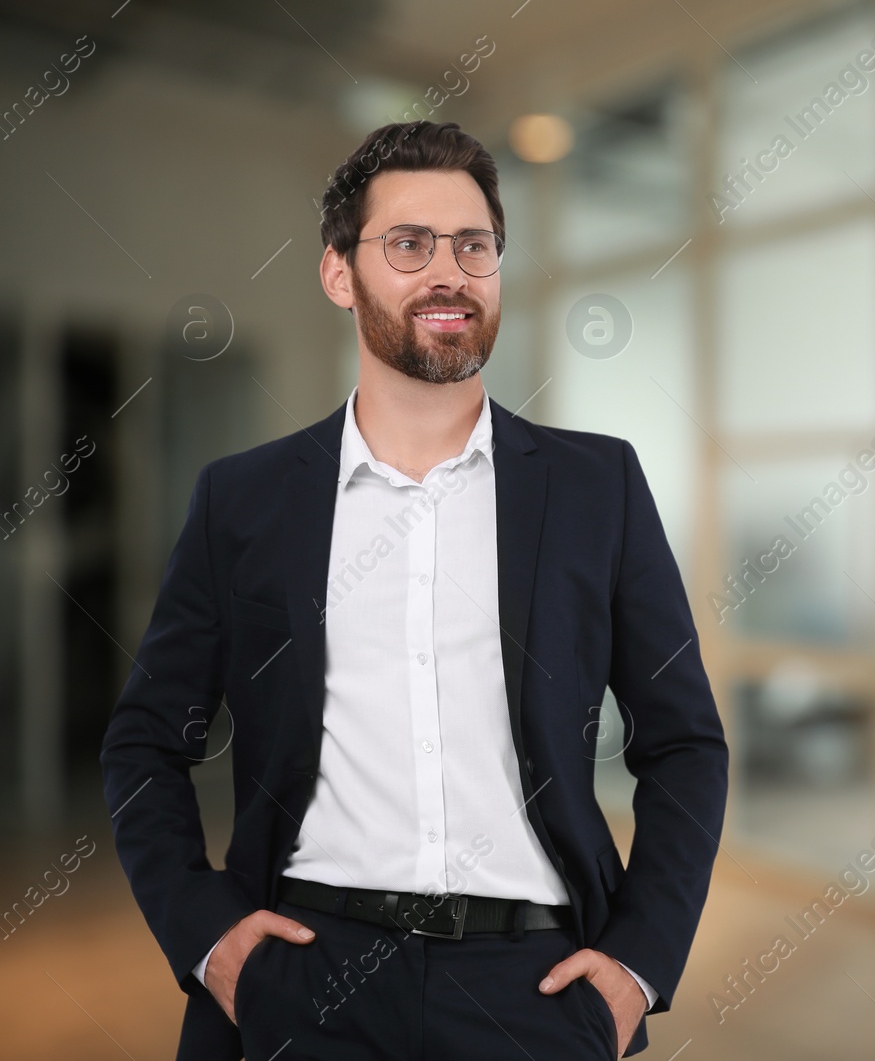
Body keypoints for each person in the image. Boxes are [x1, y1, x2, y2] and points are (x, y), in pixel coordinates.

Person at [100, 120, 729, 1060]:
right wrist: (208, 936)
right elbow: (145, 742)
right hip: (302, 973)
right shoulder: (245, 501)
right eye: (409, 244)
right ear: (338, 274)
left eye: (474, 246)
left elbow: (683, 744)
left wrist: (635, 968)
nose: (450, 273)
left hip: (537, 989)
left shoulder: (598, 487)